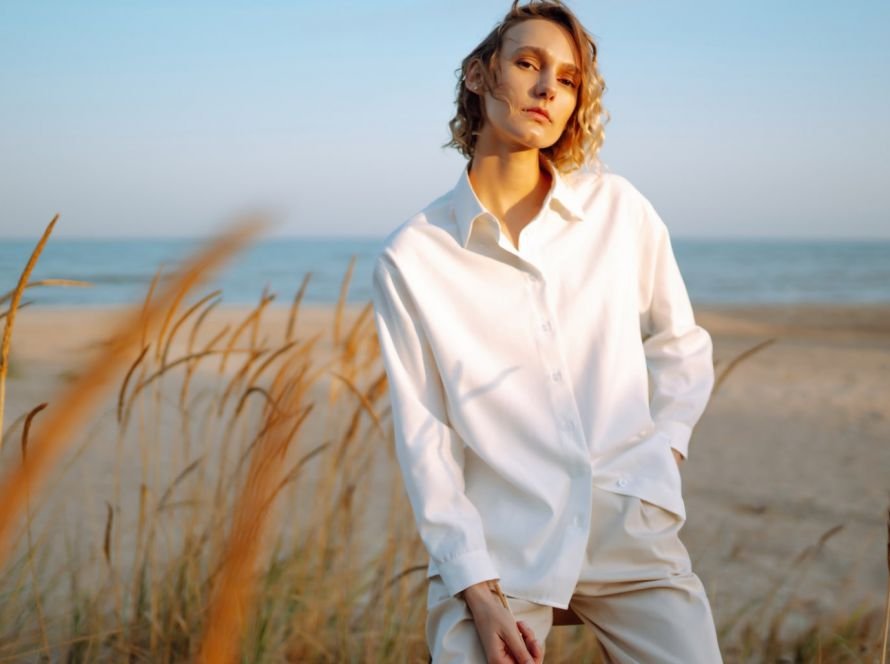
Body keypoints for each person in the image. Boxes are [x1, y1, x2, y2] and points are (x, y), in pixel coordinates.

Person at [370, 1, 723, 662]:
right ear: (480, 74)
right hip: (501, 552)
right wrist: (476, 590)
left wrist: (661, 458)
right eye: (528, 63)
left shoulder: (618, 209)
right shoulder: (414, 256)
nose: (546, 89)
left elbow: (681, 345)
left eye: (566, 79)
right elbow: (424, 438)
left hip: (629, 527)